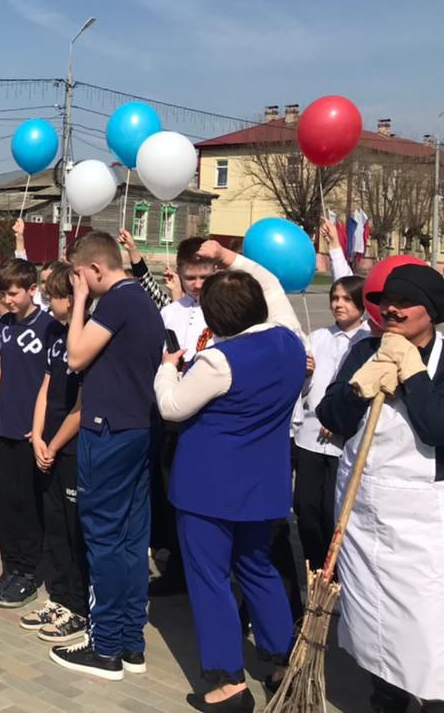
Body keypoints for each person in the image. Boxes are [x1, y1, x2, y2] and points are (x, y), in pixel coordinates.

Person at [154, 241, 306, 710]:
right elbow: (274, 284)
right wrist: (229, 257)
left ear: (214, 321)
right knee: (258, 569)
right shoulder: (289, 340)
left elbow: (172, 406)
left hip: (209, 488)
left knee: (211, 579)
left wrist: (166, 370)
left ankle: (226, 681)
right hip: (263, 484)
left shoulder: (220, 361)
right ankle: (282, 660)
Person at [317, 265, 444, 713]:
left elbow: (436, 428)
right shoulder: (364, 349)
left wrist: (413, 375)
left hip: (421, 518)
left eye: (405, 302)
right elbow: (331, 416)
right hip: (363, 504)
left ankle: (432, 697)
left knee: (425, 623)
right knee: (371, 616)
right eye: (388, 300)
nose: (391, 309)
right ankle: (385, 695)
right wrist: (359, 387)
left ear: (430, 311)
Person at [50, 230, 163, 681]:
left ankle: (106, 646)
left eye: (79, 275)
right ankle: (131, 641)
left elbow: (75, 357)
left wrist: (79, 302)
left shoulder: (116, 299)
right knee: (134, 539)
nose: (79, 283)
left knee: (104, 538)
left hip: (109, 432)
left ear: (95, 269)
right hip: (136, 427)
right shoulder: (143, 300)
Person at [0, 257, 58, 609]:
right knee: (6, 502)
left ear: (32, 290)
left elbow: (51, 384)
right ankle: (9, 568)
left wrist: (41, 428)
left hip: (33, 430)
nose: (8, 301)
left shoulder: (49, 327)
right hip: (5, 424)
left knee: (28, 505)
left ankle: (27, 572)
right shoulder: (3, 326)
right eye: (3, 294)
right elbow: (0, 371)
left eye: (13, 294)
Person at [21, 262, 90, 645]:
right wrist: (36, 435)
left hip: (71, 447)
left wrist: (55, 443)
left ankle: (78, 605)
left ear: (72, 298)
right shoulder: (56, 335)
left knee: (72, 526)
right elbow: (45, 389)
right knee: (53, 526)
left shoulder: (89, 338)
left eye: (53, 297)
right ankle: (59, 596)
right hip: (46, 443)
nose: (48, 305)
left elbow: (82, 403)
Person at [150, 236, 218, 597]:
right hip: (174, 410)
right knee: (172, 488)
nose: (196, 285)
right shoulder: (171, 312)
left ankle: (203, 567)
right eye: (190, 277)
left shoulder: (223, 308)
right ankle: (175, 565)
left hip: (209, 410)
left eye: (203, 277)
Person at [293, 272, 367, 574]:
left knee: (331, 510)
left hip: (343, 441)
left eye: (347, 299)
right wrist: (305, 372)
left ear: (362, 304)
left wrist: (340, 419)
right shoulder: (320, 336)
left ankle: (335, 570)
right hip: (310, 436)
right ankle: (314, 568)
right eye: (335, 298)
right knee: (306, 507)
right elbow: (306, 389)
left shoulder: (368, 340)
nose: (339, 304)